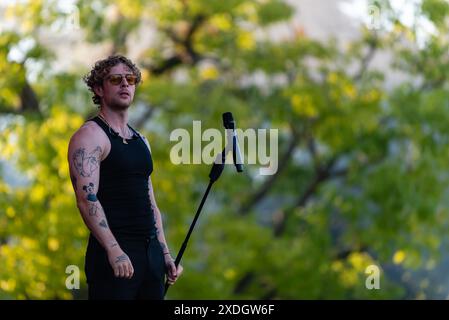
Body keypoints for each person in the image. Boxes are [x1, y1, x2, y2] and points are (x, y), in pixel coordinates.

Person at [67, 55, 182, 299]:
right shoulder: (90, 136)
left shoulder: (141, 141)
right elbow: (87, 199)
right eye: (116, 79)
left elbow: (151, 203)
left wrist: (164, 255)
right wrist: (113, 249)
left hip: (150, 255)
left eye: (130, 79)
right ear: (99, 88)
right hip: (115, 255)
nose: (125, 85)